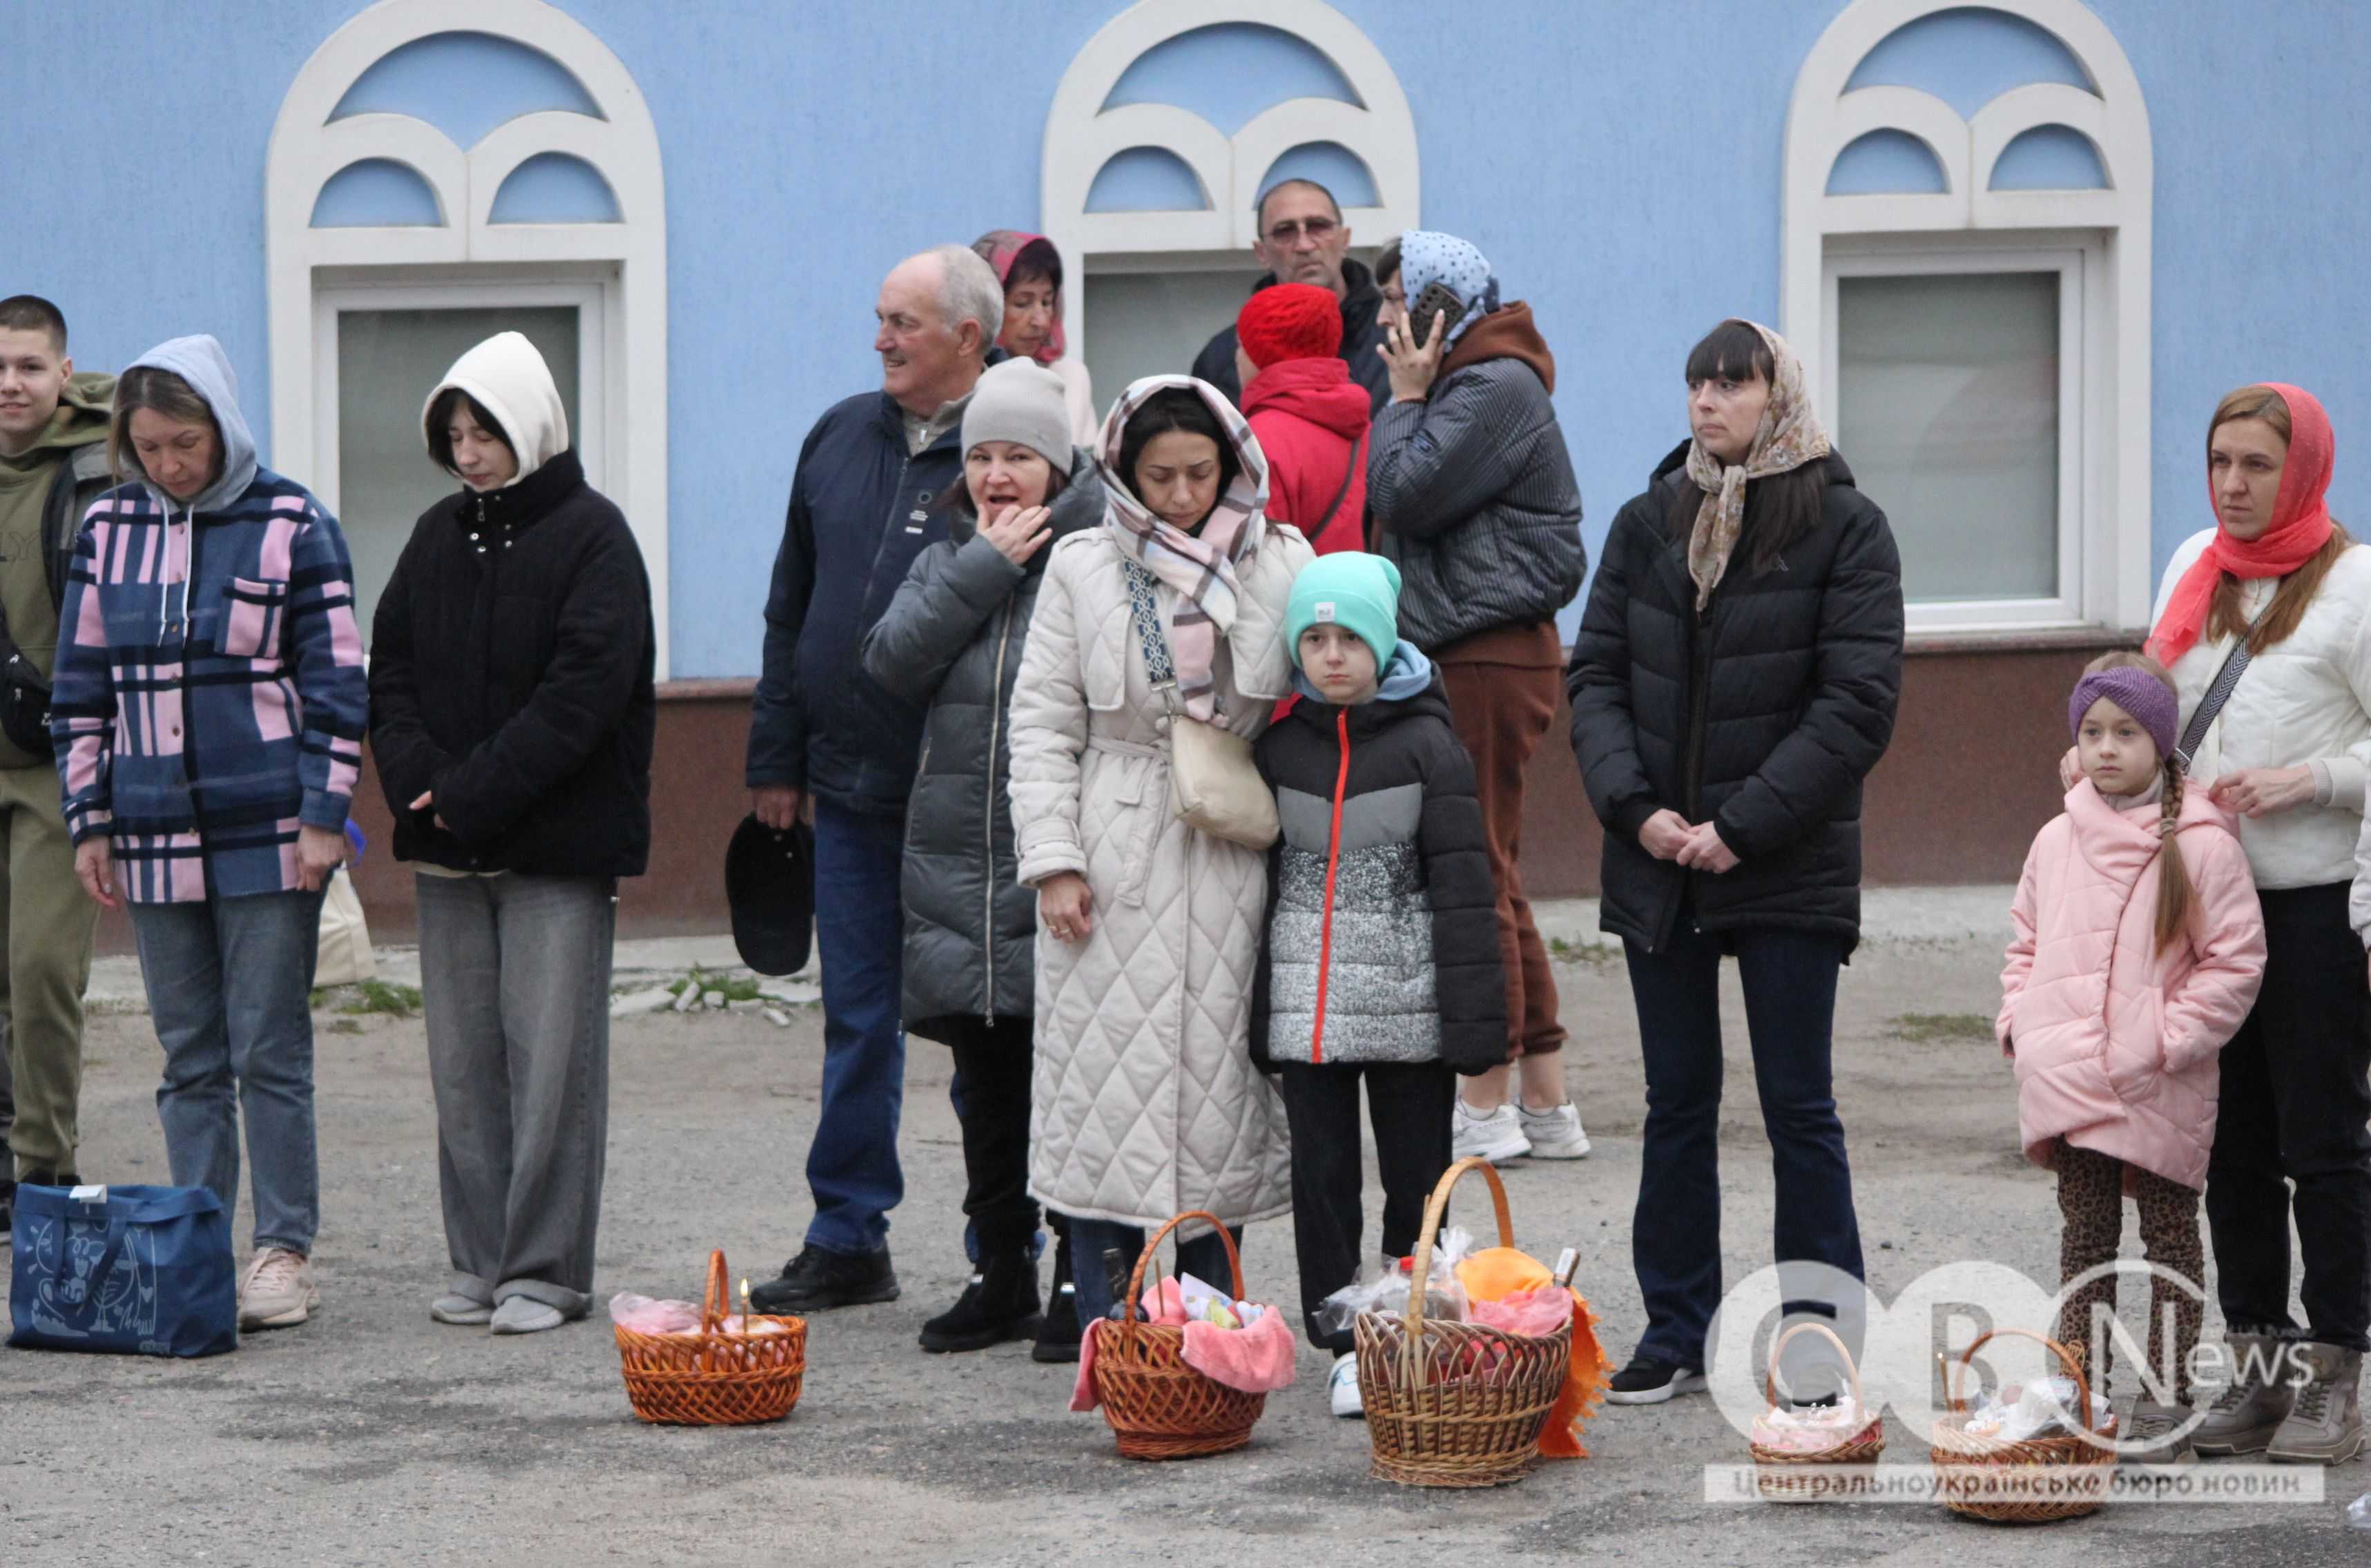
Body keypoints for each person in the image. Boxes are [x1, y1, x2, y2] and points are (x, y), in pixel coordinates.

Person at [1567, 318, 1903, 1404]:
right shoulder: (1646, 521)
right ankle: (1675, 1327)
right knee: (1675, 1104)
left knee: (1798, 1106)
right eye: (1696, 382)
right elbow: (1596, 679)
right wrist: (1638, 811)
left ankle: (1820, 1338)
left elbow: (1855, 705)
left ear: (1778, 393)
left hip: (1782, 861)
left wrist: (1740, 825)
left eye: (1732, 381)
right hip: (1660, 859)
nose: (1707, 401)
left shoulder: (1845, 527)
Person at [50, 334, 367, 1330]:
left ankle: (282, 1249)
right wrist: (88, 818)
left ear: (222, 426)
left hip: (272, 827)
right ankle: (196, 1238)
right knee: (188, 1054)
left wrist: (325, 816)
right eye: (147, 447)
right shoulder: (106, 529)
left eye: (184, 442)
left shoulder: (291, 520)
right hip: (147, 833)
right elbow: (79, 691)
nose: (168, 465)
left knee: (269, 1046)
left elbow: (337, 680)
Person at [1007, 374, 1312, 1325]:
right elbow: (1042, 721)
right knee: (1104, 1092)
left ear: (1232, 461)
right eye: (1158, 475)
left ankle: (1215, 1338)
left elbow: (1344, 673)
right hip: (1114, 839)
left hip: (1235, 843)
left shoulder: (1281, 557)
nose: (1181, 496)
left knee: (1224, 1093)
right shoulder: (1082, 565)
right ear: (1121, 472)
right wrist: (1054, 859)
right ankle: (1113, 1334)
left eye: (1199, 472)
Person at [367, 331, 655, 1336]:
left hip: (552, 850)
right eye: (453, 432)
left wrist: (468, 791)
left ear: (528, 422)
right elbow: (389, 668)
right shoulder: (435, 535)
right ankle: (477, 1259)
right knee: (461, 1067)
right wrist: (418, 784)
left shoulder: (594, 537)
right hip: (450, 846)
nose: (468, 449)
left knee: (549, 1066)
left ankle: (544, 1268)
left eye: (484, 428)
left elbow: (584, 694)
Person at [746, 244, 1004, 1315]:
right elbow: (789, 605)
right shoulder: (838, 432)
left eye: (903, 322)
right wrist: (774, 756)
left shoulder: (1010, 449)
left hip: (965, 798)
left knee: (988, 1029)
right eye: (880, 318)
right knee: (857, 1017)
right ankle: (848, 1232)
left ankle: (1010, 1249)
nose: (880, 339)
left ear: (968, 339)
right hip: (845, 789)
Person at [2131, 383, 2371, 1465]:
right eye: (2219, 460)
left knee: (2321, 1147)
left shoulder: (2356, 586)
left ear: (2304, 471)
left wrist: (2314, 778)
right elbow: (2156, 708)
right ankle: (2260, 1371)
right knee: (2228, 1146)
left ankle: (2332, 1375)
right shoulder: (2194, 561)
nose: (2231, 484)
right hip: (2206, 902)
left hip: (2315, 908)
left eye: (2255, 466)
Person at [860, 358, 1104, 1357]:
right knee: (986, 1085)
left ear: (1056, 463)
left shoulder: (1091, 552)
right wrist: (983, 566)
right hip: (959, 863)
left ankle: (1071, 1276)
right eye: (983, 457)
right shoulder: (951, 552)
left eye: (1018, 455)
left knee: (1067, 1079)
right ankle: (996, 1263)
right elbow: (887, 658)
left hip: (1054, 859)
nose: (999, 475)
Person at [1250, 550, 1507, 1417]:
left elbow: (1468, 891)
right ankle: (1339, 1341)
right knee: (1320, 1186)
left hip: (1409, 1016)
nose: (1332, 657)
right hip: (1306, 1019)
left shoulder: (1430, 746)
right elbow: (1256, 893)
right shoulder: (1278, 747)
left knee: (1414, 1179)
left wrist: (1477, 1029)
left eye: (1350, 639)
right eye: (1314, 639)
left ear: (1383, 642)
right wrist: (1258, 1018)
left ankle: (1406, 1328)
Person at [2002, 653, 2265, 1464]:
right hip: (2068, 1081)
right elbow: (2025, 944)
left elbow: (2233, 962)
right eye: (2090, 733)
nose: (2105, 749)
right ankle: (2074, 1389)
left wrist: (2165, 1041)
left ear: (2160, 741)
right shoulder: (2053, 841)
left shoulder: (2200, 848)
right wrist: (2019, 1024)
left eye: (2125, 732)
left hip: (2156, 1083)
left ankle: (2164, 1398)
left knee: (2168, 1240)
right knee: (2083, 1238)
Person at [1368, 231, 1588, 1162]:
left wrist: (1403, 401)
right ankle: (1544, 1100)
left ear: (1436, 304)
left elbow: (1403, 494)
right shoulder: (1484, 378)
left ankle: (1486, 1102)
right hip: (1481, 647)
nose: (1380, 319)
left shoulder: (1491, 384)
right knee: (1494, 867)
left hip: (1482, 653)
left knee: (1472, 874)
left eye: (1392, 300)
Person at [0, 296, 112, 1234]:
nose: (11, 383)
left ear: (64, 374)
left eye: (30, 366)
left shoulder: (97, 472)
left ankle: (41, 1164)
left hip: (51, 763)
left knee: (39, 967)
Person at [1191, 180, 1389, 414]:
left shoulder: (1396, 335)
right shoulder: (1223, 358)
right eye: (1285, 231)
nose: (1304, 245)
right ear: (1262, 252)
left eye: (1318, 226)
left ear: (1345, 239)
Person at [1233, 284, 1369, 556]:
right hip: (1362, 593)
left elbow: (1254, 558)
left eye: (1241, 345)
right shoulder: (1361, 421)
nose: (1236, 356)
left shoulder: (1257, 439)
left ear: (1260, 355)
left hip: (1297, 596)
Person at [970, 231, 1095, 446]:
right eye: (1022, 303)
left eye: (1047, 303)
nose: (1041, 322)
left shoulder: (1066, 379)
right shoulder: (956, 381)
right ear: (986, 306)